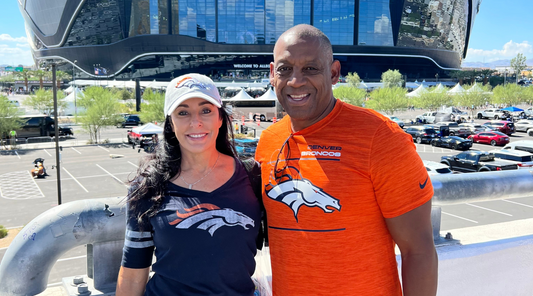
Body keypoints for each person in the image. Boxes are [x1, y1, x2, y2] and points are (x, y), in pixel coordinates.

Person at [254, 24, 438, 295]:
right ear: (272, 74)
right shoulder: (268, 141)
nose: (295, 81)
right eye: (285, 69)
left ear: (334, 73)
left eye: (310, 68)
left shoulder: (380, 137)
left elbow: (419, 251)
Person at [116, 74, 262, 296]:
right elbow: (133, 273)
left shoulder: (252, 175)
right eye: (183, 113)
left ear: (221, 118)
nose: (196, 122)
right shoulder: (148, 186)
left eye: (206, 110)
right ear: (171, 123)